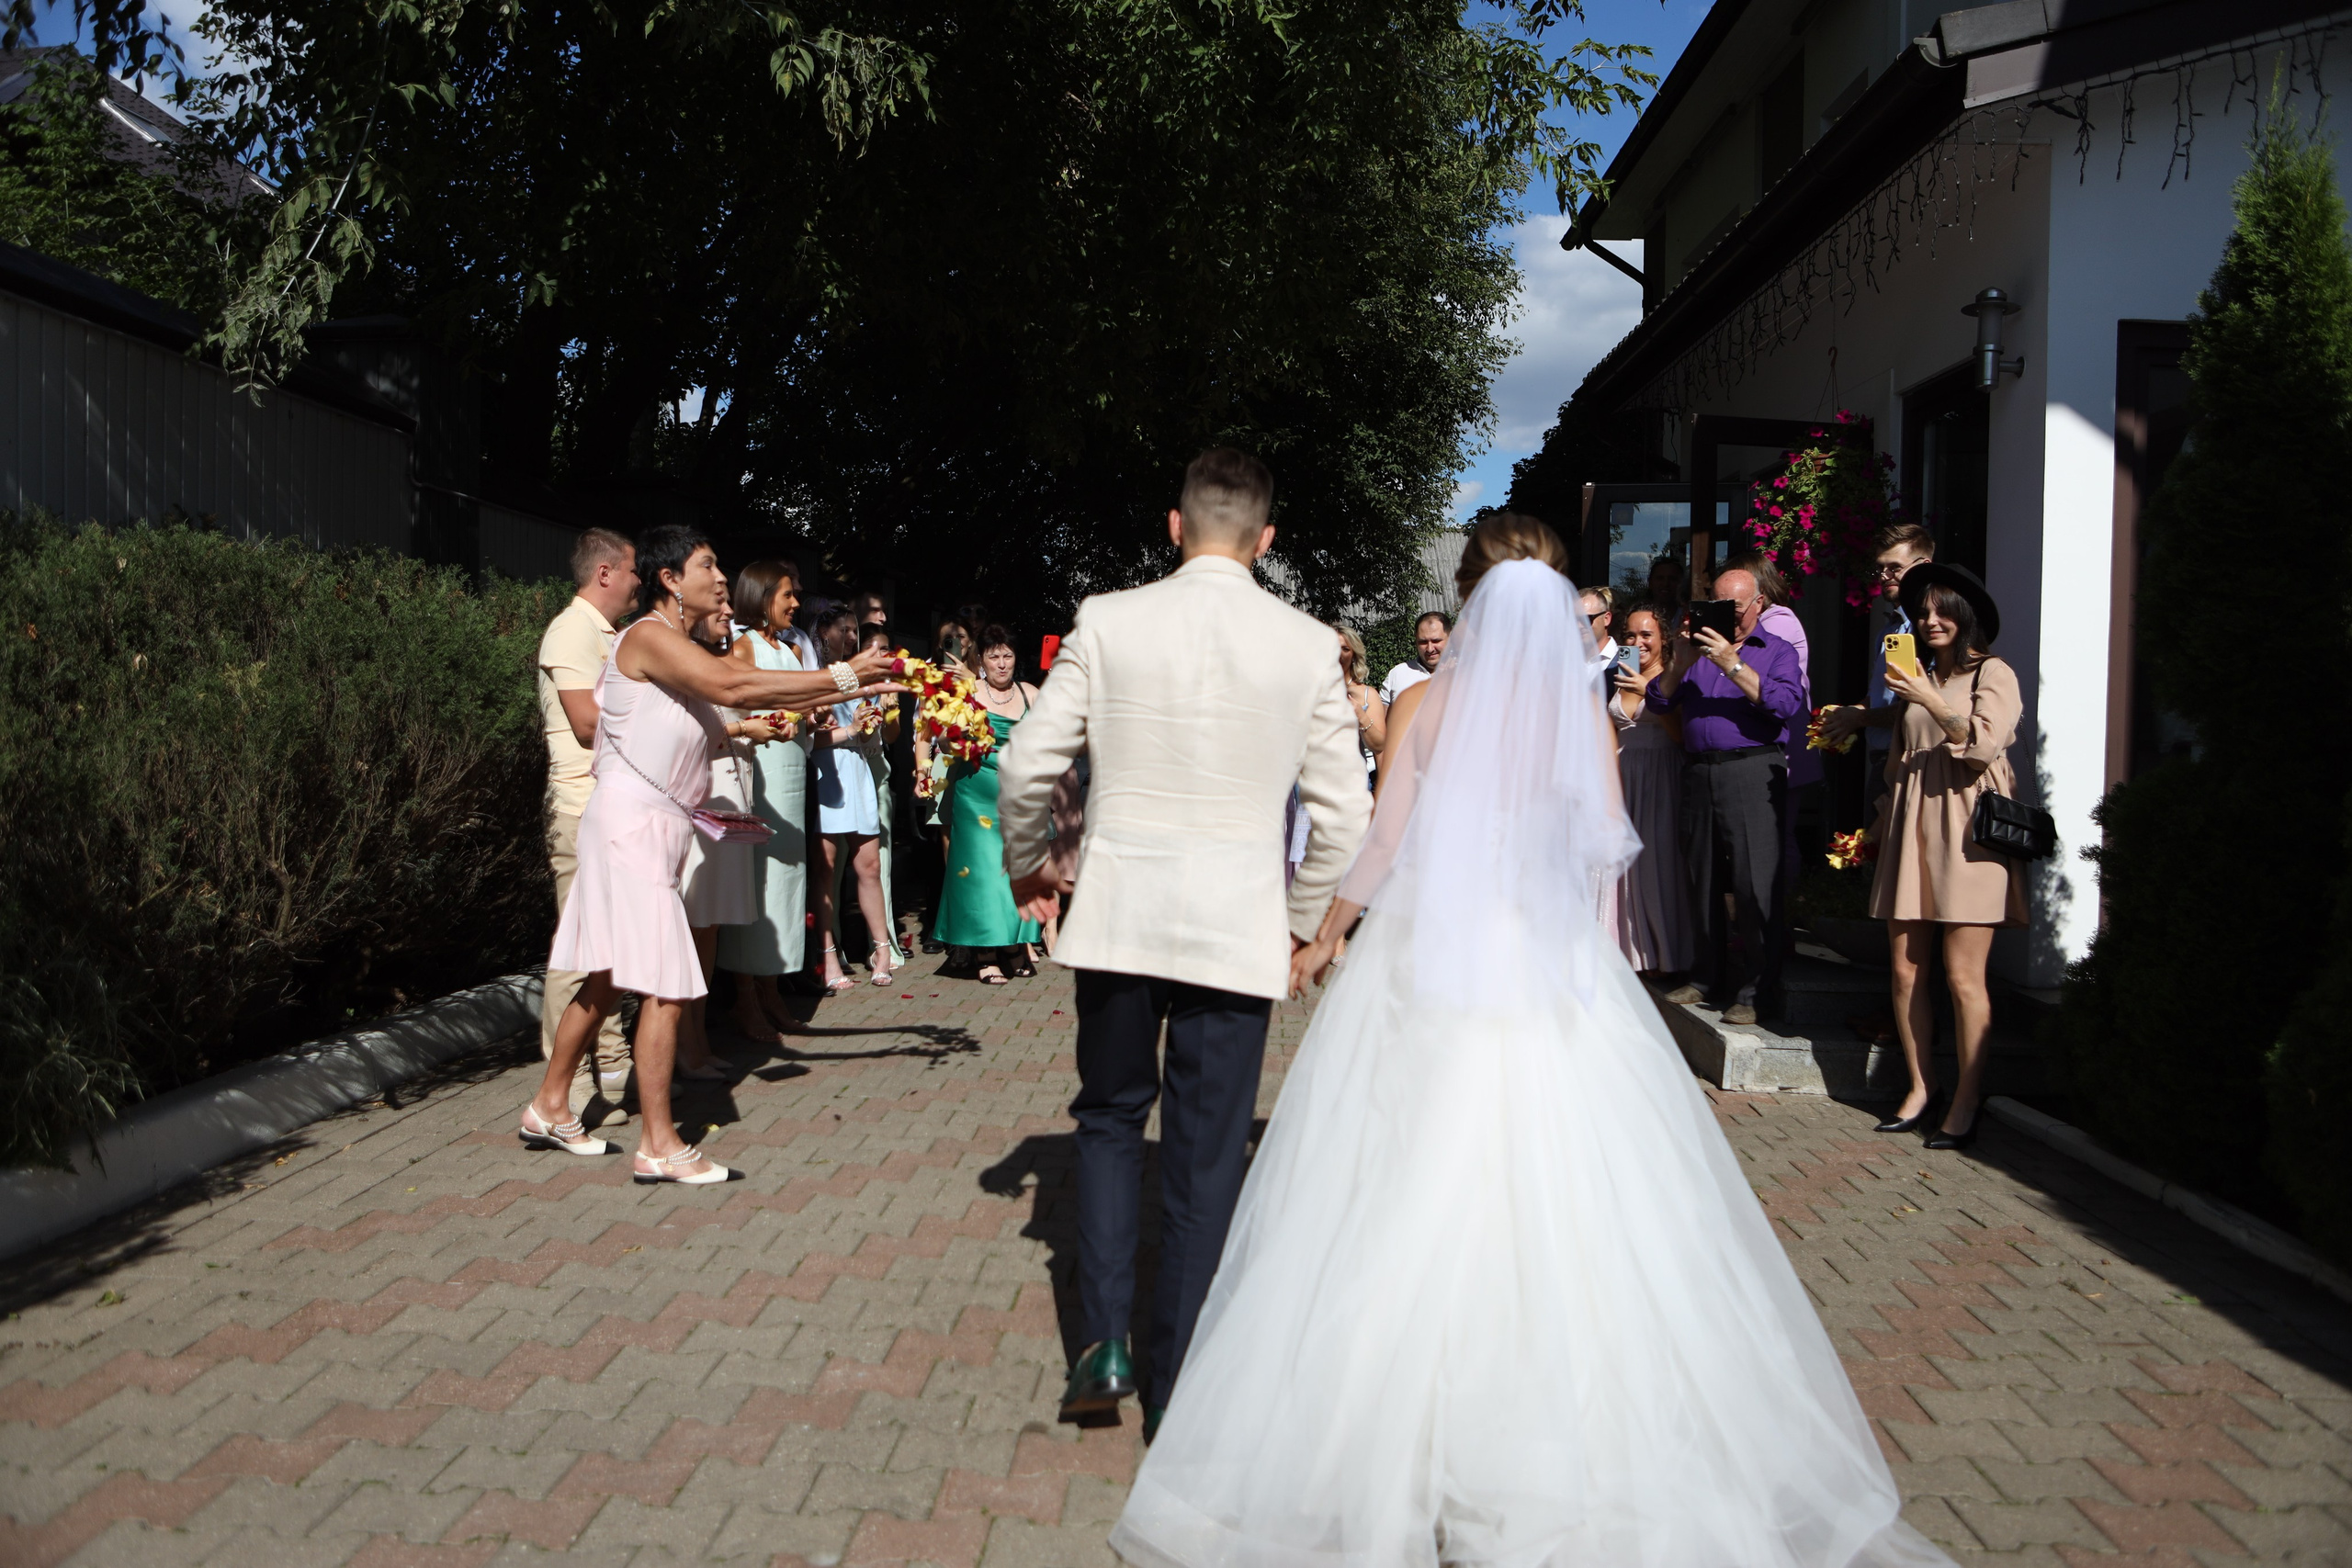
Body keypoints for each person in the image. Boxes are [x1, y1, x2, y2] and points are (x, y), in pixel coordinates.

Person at [1108, 518, 1952, 1568]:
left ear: (1467, 598)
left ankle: (1389, 1450)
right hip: (1549, 975)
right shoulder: (1580, 718)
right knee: (1575, 1200)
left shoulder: (1422, 702)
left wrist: (1323, 937)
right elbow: (1607, 849)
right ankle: (1559, 1447)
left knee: (1400, 1190)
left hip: (1427, 971)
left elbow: (1381, 842)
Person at [999, 447, 1373, 1438]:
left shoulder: (1108, 619)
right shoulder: (1303, 645)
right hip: (1233, 930)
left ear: (1174, 527)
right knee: (1206, 1159)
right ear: (1267, 539)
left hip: (1119, 916)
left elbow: (1027, 760)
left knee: (1112, 1123)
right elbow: (1344, 814)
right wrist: (1300, 927)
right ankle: (1177, 1383)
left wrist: (1028, 865)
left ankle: (1102, 1342)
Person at [526, 525, 900, 1183]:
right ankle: (660, 1143)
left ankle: (549, 1104)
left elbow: (750, 689)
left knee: (611, 975)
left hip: (646, 827)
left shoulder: (679, 650)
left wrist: (854, 686)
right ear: (672, 579)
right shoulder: (646, 638)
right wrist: (846, 671)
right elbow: (738, 690)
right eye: (709, 565)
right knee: (667, 987)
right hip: (631, 828)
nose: (723, 578)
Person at [1864, 565, 2026, 1151]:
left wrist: (1928, 696)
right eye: (1922, 612)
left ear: (1964, 615)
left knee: (1963, 977)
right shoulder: (1915, 674)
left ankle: (1966, 1098)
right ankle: (1920, 1087)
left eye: (1942, 610)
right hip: (1912, 826)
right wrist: (1879, 825)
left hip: (1968, 834)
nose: (1931, 621)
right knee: (1906, 970)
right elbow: (1900, 759)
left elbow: (1982, 744)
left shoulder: (1994, 672)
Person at [1645, 566, 1806, 1026]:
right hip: (1699, 772)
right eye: (1716, 605)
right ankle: (1705, 977)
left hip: (1752, 770)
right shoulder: (1694, 653)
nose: (1727, 616)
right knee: (1702, 879)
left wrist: (1731, 664)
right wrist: (1679, 660)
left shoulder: (1774, 650)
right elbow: (1658, 702)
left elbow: (1784, 704)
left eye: (1735, 607)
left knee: (1755, 884)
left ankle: (1756, 991)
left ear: (1758, 604)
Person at [536, 527, 639, 1117]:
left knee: (606, 951)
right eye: (630, 570)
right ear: (604, 573)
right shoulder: (574, 629)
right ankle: (564, 1089)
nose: (637, 581)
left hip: (607, 811)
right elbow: (584, 722)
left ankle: (608, 1064)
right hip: (580, 810)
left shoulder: (609, 634)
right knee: (577, 953)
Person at [717, 559, 812, 1042]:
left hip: (793, 777)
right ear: (761, 597)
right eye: (787, 595)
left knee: (787, 884)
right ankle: (746, 998)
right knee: (758, 882)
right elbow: (733, 714)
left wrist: (810, 720)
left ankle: (773, 987)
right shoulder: (745, 647)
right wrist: (773, 722)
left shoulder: (793, 652)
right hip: (762, 780)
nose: (796, 603)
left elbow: (798, 709)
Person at [935, 625, 1045, 984]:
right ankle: (985, 954)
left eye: (1008, 656)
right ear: (980, 660)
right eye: (994, 656)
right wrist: (955, 742)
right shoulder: (967, 692)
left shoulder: (1030, 693)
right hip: (976, 791)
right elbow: (942, 737)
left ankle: (1013, 946)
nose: (1001, 664)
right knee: (983, 872)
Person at [809, 608, 901, 991]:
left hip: (859, 771)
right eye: (844, 629)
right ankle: (828, 956)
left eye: (853, 630)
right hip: (826, 774)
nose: (851, 636)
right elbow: (811, 738)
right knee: (826, 870)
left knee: (869, 867)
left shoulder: (859, 677)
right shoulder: (812, 677)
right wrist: (850, 729)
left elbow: (867, 737)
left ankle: (881, 951)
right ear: (824, 632)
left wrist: (869, 727)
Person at [1609, 603, 1692, 974]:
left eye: (1646, 635)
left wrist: (1650, 692)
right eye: (1630, 634)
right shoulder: (1619, 675)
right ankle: (1630, 951)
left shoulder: (1672, 678)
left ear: (1663, 639)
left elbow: (1680, 735)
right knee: (1623, 866)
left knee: (1658, 863)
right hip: (1624, 777)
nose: (1637, 642)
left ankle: (1665, 953)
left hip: (1660, 776)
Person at [1819, 522, 1937, 755]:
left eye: (1894, 568)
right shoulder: (1890, 629)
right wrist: (1847, 715)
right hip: (1884, 757)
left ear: (1924, 567)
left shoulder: (1932, 630)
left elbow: (1924, 706)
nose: (1884, 576)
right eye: (1880, 569)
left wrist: (1861, 717)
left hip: (1917, 758)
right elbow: (1882, 697)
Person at [1333, 625, 1385, 785]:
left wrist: (1360, 715)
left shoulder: (1367, 694)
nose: (1338, 654)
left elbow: (1379, 745)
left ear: (1354, 655)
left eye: (1345, 649)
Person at [1377, 610, 1449, 705]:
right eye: (1423, 642)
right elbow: (1380, 718)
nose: (1430, 649)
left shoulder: (1466, 674)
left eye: (1436, 641)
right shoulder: (1397, 674)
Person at [1581, 583, 1619, 666]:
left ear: (1606, 619)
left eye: (1587, 619)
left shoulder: (1624, 662)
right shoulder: (1565, 663)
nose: (1579, 626)